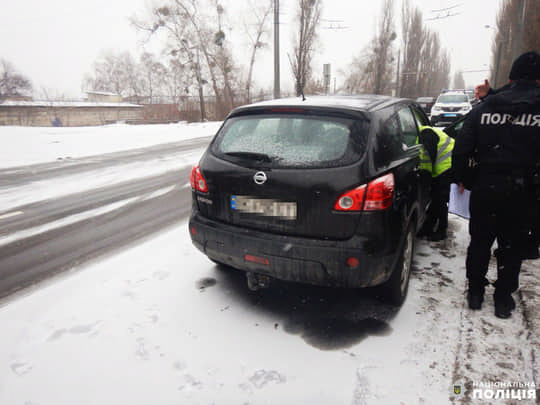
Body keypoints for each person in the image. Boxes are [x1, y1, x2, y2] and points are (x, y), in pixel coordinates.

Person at [452, 51, 540, 319]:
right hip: (525, 191)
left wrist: (464, 179)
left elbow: (461, 148)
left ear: (511, 77)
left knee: (479, 241)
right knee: (512, 245)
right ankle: (503, 298)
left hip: (486, 186)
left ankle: (475, 293)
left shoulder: (486, 107)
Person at [417, 126, 455, 241]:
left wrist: (426, 180)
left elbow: (429, 158)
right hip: (442, 168)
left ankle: (442, 230)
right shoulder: (424, 133)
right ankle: (428, 227)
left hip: (446, 168)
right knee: (436, 199)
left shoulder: (426, 134)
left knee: (440, 200)